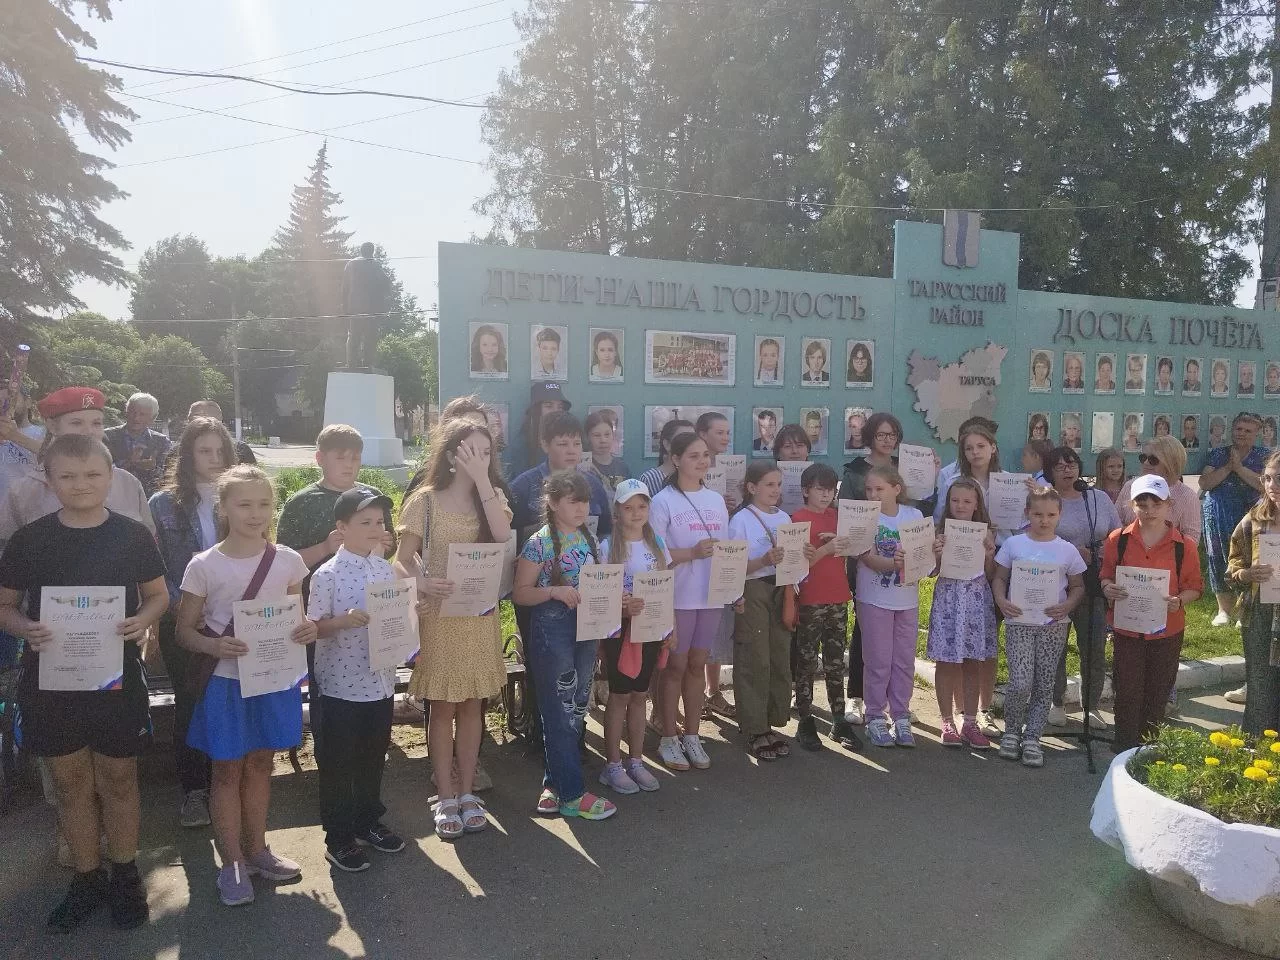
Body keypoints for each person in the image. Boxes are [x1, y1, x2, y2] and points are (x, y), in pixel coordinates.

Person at [0, 434, 167, 931]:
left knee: (118, 779)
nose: (81, 485)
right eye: (68, 476)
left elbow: (158, 596)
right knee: (71, 783)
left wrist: (143, 620)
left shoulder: (132, 535)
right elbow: (4, 605)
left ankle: (125, 875)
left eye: (93, 474)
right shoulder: (30, 540)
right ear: (49, 481)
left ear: (110, 476)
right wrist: (24, 627)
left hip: (116, 680)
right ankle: (86, 878)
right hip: (51, 682)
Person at [174, 465, 317, 906]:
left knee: (260, 764)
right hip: (225, 683)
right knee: (226, 770)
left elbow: (296, 617)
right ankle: (232, 862)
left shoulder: (288, 561)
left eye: (264, 504)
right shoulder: (204, 565)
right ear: (223, 507)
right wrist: (214, 646)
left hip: (273, 680)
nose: (256, 514)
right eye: (244, 504)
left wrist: (307, 628)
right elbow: (183, 632)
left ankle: (258, 850)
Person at [392, 420, 511, 838]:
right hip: (439, 619)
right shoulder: (424, 501)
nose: (480, 459)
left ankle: (467, 792)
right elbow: (401, 560)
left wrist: (483, 481)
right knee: (442, 707)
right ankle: (445, 794)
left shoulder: (492, 498)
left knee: (474, 704)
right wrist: (422, 582)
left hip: (479, 617)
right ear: (449, 455)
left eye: (487, 452)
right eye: (470, 451)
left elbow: (502, 534)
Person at [275, 424, 395, 757]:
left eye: (355, 457)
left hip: (371, 612)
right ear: (320, 459)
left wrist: (384, 545)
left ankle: (369, 749)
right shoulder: (302, 502)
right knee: (326, 688)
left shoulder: (372, 496)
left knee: (372, 679)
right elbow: (282, 560)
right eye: (340, 457)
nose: (349, 464)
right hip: (318, 612)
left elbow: (389, 548)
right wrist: (325, 547)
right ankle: (329, 754)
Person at [308, 488, 409, 870]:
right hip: (341, 686)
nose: (374, 528)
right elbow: (314, 627)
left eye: (379, 521)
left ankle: (368, 822)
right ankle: (338, 837)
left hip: (380, 682)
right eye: (364, 521)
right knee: (338, 763)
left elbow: (394, 616)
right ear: (342, 527)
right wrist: (342, 621)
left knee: (372, 756)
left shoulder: (383, 568)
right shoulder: (327, 575)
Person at [512, 470, 615, 821]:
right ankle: (573, 794)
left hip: (586, 629)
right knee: (558, 710)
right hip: (552, 629)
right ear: (554, 503)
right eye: (573, 501)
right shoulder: (538, 543)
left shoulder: (589, 537)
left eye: (585, 501)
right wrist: (554, 591)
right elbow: (520, 594)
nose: (581, 508)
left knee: (574, 708)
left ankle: (554, 785)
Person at [148, 417, 236, 829]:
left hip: (232, 619)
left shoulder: (238, 496)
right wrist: (182, 605)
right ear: (187, 455)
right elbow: (153, 565)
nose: (214, 459)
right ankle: (194, 791)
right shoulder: (162, 504)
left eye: (220, 451)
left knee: (229, 700)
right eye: (204, 451)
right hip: (181, 619)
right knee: (191, 701)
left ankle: (227, 786)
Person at [1102, 475, 1203, 751]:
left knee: (1158, 691)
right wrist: (1108, 587)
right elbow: (1106, 575)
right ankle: (1123, 748)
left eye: (1156, 503)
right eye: (1142, 504)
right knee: (1127, 689)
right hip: (1128, 629)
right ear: (1131, 505)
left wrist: (1179, 600)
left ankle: (1148, 749)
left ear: (1169, 504)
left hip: (1166, 630)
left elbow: (1195, 587)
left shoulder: (1183, 545)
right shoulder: (1117, 540)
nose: (1149, 510)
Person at [649, 431, 729, 771]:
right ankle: (669, 736)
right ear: (676, 459)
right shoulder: (662, 501)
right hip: (677, 596)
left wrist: (733, 590)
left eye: (705, 455)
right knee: (675, 667)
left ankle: (693, 735)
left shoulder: (716, 500)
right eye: (694, 455)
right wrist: (691, 553)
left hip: (710, 597)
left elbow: (727, 552)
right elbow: (653, 553)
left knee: (697, 664)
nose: (702, 461)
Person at [993, 488, 1086, 767]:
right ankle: (1012, 732)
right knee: (1020, 681)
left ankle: (1033, 736)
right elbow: (999, 578)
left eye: (1050, 515)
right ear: (1027, 514)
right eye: (1037, 514)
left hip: (1052, 625)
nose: (1044, 520)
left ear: (1059, 515)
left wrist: (1067, 605)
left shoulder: (1067, 550)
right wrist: (1002, 601)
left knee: (1044, 682)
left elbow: (1078, 586)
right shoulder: (1014, 545)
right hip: (1019, 622)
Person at [0, 387, 153, 548]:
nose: (89, 432)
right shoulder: (26, 490)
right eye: (76, 423)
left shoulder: (127, 483)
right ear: (52, 426)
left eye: (96, 423)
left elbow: (147, 545)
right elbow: (8, 550)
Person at [596, 480, 673, 794]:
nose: (636, 513)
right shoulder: (607, 547)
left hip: (652, 630)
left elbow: (667, 588)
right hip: (620, 633)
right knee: (619, 696)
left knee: (641, 695)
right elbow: (601, 593)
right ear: (617, 512)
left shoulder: (658, 544)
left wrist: (671, 627)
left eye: (642, 506)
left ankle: (636, 761)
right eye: (629, 507)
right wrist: (622, 605)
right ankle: (612, 765)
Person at [1040, 446, 1121, 728]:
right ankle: (1056, 702)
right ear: (1050, 472)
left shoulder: (1097, 498)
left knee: (1094, 646)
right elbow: (1036, 535)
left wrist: (1102, 550)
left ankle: (1092, 706)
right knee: (1056, 646)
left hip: (1094, 581)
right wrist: (1071, 551)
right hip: (1058, 584)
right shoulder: (1046, 501)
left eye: (1072, 464)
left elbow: (1116, 533)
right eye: (1060, 466)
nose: (1067, 469)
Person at [729, 462, 800, 761]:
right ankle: (754, 728)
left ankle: (772, 721)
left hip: (781, 590)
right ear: (752, 487)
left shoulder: (784, 518)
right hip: (753, 590)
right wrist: (763, 561)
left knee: (778, 657)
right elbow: (732, 567)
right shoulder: (741, 520)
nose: (776, 490)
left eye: (778, 484)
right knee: (754, 658)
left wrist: (801, 557)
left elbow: (794, 561)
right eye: (769, 484)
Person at [856, 464, 929, 748]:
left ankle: (901, 715)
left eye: (880, 489)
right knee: (878, 661)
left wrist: (930, 555)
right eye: (869, 489)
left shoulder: (914, 516)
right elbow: (867, 558)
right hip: (874, 599)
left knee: (903, 661)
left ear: (896, 489)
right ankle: (875, 716)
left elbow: (923, 559)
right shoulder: (864, 517)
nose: (873, 494)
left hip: (907, 601)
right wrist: (894, 564)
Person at [791, 464, 858, 751]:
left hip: (838, 597)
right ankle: (805, 719)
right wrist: (827, 549)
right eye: (820, 489)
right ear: (806, 490)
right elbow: (796, 565)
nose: (826, 495)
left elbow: (855, 547)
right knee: (806, 661)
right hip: (810, 599)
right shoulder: (797, 519)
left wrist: (842, 545)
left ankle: (839, 718)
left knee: (835, 661)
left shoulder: (838, 517)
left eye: (830, 490)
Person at [927, 477, 997, 748]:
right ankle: (947, 721)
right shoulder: (940, 531)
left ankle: (970, 722)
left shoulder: (986, 532)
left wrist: (989, 555)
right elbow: (931, 572)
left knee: (972, 661)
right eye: (955, 500)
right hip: (948, 600)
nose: (960, 505)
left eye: (967, 501)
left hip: (976, 602)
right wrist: (935, 554)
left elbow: (990, 574)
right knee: (946, 661)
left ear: (977, 504)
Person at [1226, 451, 1280, 736]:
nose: (1272, 485)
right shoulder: (1254, 520)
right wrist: (1246, 574)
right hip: (1259, 613)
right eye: (1267, 478)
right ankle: (1258, 748)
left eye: (1278, 479)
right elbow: (1234, 563)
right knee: (1260, 684)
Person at [1200, 412, 1266, 626]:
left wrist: (1239, 468)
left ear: (1257, 433)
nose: (1242, 433)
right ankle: (1223, 611)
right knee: (1218, 559)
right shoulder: (1219, 454)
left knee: (1248, 560)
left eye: (1248, 430)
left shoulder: (1265, 456)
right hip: (1218, 515)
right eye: (1238, 429)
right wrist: (1229, 466)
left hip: (1250, 517)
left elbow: (1264, 484)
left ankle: (1244, 609)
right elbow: (1205, 483)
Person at [510, 412, 611, 543]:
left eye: (577, 443)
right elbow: (510, 536)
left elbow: (605, 533)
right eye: (563, 444)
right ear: (545, 445)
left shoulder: (594, 485)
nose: (571, 451)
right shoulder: (524, 486)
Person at [695, 411, 737, 719]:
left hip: (722, 556)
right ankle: (695, 696)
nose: (725, 438)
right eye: (718, 432)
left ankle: (712, 692)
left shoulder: (730, 467)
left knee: (717, 630)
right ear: (702, 434)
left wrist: (731, 505)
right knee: (698, 634)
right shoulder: (692, 468)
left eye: (727, 432)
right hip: (696, 559)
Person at [1116, 437, 1201, 545]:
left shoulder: (1187, 496)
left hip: (1167, 554)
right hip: (1129, 552)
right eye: (1143, 458)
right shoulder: (1130, 486)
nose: (1146, 463)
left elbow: (1192, 539)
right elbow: (1115, 523)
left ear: (1171, 463)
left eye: (1153, 460)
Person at [104, 392, 172, 497]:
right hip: (112, 497)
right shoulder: (107, 437)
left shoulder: (162, 442)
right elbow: (100, 472)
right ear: (126, 412)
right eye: (133, 412)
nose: (136, 418)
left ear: (153, 418)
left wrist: (152, 468)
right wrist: (129, 463)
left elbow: (168, 478)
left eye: (142, 414)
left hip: (147, 499)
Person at [342, 242, 391, 369]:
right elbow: (386, 283)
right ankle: (368, 363)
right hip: (371, 308)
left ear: (361, 250)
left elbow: (344, 287)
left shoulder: (350, 264)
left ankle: (351, 363)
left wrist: (345, 307)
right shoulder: (374, 264)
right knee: (370, 336)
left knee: (354, 335)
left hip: (354, 307)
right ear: (372, 251)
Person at [0, 383, 44, 499]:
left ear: (28, 402)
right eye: (0, 401)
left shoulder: (43, 433)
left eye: (12, 400)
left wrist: (14, 436)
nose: (5, 405)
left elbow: (55, 457)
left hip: (28, 505)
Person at [519, 382, 571, 472]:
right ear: (537, 410)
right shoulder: (522, 443)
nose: (555, 411)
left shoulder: (571, 438)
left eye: (560, 407)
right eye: (549, 406)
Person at [187, 401, 256, 465]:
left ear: (220, 422)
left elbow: (251, 473)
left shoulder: (241, 450)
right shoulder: (182, 451)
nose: (215, 460)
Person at [639, 418, 695, 495]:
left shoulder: (698, 475)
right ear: (667, 444)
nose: (690, 444)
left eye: (693, 439)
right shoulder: (650, 478)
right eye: (683, 439)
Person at [581, 410, 630, 493]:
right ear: (587, 437)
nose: (603, 440)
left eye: (607, 434)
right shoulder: (583, 465)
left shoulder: (622, 467)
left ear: (613, 435)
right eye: (597, 435)